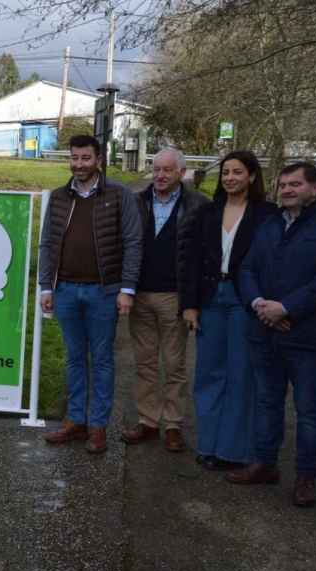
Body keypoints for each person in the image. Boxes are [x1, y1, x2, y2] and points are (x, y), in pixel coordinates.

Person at [227, 162, 316, 508]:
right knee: (267, 400)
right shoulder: (270, 226)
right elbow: (248, 268)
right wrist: (259, 305)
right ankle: (264, 464)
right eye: (283, 184)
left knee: (308, 410)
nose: (286, 190)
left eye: (295, 184)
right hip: (264, 330)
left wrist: (286, 309)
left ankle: (306, 477)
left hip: (307, 336)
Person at [39, 134, 142, 454]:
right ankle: (75, 421)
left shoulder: (119, 195)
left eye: (85, 158)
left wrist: (126, 289)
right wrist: (46, 285)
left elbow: (133, 243)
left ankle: (98, 426)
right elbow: (46, 244)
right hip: (66, 290)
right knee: (73, 358)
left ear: (98, 160)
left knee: (101, 360)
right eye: (74, 158)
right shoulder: (58, 197)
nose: (79, 164)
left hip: (103, 293)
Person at [181, 150, 277, 471]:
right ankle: (208, 445)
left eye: (237, 172)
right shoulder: (208, 212)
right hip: (210, 298)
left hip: (244, 299)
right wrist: (190, 305)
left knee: (241, 374)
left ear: (251, 176)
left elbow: (272, 263)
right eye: (225, 173)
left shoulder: (267, 215)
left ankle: (233, 450)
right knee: (208, 373)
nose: (230, 178)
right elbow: (191, 261)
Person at [123, 148, 208, 452]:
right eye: (156, 169)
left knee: (174, 365)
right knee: (144, 363)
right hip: (140, 294)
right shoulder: (136, 202)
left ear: (181, 173)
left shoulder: (198, 205)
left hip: (175, 296)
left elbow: (203, 256)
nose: (159, 175)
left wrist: (193, 301)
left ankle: (172, 424)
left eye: (167, 170)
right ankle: (147, 421)